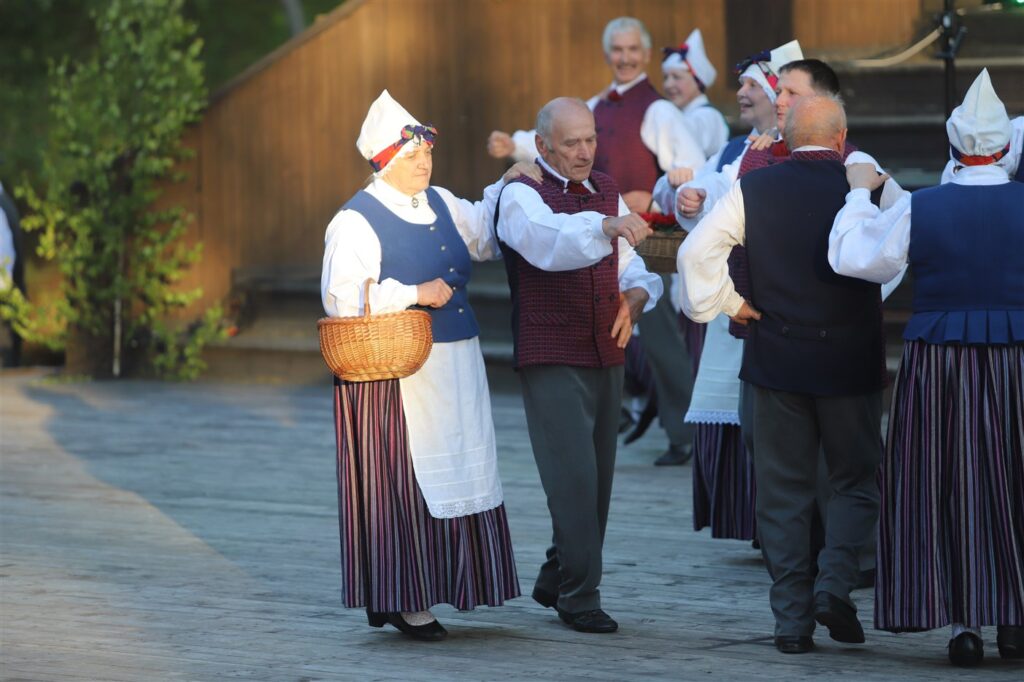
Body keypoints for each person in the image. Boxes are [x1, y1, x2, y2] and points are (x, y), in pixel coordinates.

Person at [828, 69, 1024, 667]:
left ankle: (964, 625)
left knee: (947, 486)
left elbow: (853, 257)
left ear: (954, 148)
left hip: (940, 364)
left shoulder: (922, 207)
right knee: (1015, 482)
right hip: (1017, 361)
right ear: (1006, 149)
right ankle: (1014, 618)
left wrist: (858, 194)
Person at [678, 95, 886, 655]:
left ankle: (792, 622)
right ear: (841, 138)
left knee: (782, 494)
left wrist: (728, 303)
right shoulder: (869, 185)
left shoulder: (754, 187)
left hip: (776, 357)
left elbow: (695, 253)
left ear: (788, 139)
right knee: (854, 482)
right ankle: (834, 584)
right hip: (849, 360)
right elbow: (894, 259)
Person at [321, 90, 530, 641]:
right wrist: (414, 292)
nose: (423, 162)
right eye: (411, 155)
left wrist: (510, 184)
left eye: (426, 152)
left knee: (461, 465)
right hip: (400, 373)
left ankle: (452, 582)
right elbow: (342, 297)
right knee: (411, 477)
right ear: (384, 160)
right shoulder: (355, 220)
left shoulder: (441, 201)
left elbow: (484, 235)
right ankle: (405, 598)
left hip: (458, 360)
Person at [496, 96, 662, 633]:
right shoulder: (521, 194)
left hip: (605, 349)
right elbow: (549, 243)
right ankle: (579, 596)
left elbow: (629, 265)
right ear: (541, 145)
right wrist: (606, 226)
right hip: (550, 351)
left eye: (590, 139)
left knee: (598, 483)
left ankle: (557, 574)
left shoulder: (607, 189)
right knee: (573, 481)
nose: (585, 151)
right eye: (571, 143)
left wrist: (637, 295)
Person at [669, 45, 779, 540]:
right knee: (732, 402)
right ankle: (748, 520)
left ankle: (780, 526)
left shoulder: (799, 149)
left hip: (772, 294)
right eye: (742, 84)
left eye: (753, 85)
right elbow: (711, 188)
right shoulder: (735, 148)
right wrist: (687, 198)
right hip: (730, 294)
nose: (742, 92)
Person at [487, 16, 705, 213]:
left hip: (643, 231)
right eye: (617, 49)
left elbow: (692, 171)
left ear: (647, 54)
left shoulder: (659, 109)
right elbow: (557, 135)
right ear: (606, 56)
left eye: (633, 49)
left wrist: (655, 203)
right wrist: (513, 145)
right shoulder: (595, 105)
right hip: (593, 225)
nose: (625, 58)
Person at [660, 29, 729, 160]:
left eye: (676, 77)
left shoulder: (708, 117)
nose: (668, 84)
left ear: (698, 81)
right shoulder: (687, 114)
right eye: (665, 77)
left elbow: (687, 139)